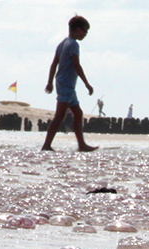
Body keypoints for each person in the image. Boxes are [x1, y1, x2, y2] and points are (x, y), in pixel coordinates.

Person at [42, 15, 97, 152]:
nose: (85, 34)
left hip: (66, 85)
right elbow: (76, 65)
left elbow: (54, 64)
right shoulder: (73, 44)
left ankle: (81, 145)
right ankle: (46, 145)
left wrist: (50, 82)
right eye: (85, 31)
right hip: (66, 85)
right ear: (78, 29)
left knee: (78, 113)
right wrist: (87, 84)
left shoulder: (62, 44)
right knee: (59, 116)